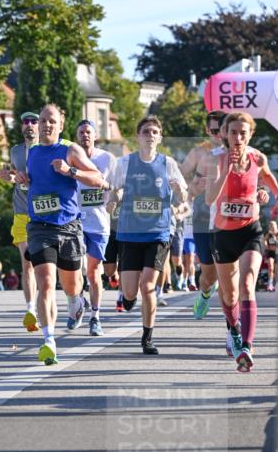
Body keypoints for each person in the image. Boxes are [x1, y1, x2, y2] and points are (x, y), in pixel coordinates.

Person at [19, 103, 109, 365]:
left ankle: (76, 303)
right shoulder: (33, 153)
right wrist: (22, 179)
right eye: (43, 120)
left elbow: (99, 179)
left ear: (60, 126)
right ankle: (49, 341)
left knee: (72, 286)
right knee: (46, 282)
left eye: (51, 121)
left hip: (68, 227)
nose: (46, 125)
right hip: (39, 227)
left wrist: (70, 171)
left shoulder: (70, 150)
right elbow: (37, 183)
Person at [204, 111, 278, 371]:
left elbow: (267, 176)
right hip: (223, 234)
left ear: (251, 135)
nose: (238, 137)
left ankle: (247, 346)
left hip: (251, 230)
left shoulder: (258, 158)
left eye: (243, 133)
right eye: (233, 132)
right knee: (229, 294)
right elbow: (209, 198)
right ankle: (234, 330)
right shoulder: (217, 160)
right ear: (225, 134)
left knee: (248, 282)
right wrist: (226, 170)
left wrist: (274, 194)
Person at [105, 116, 188, 355]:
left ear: (159, 138)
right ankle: (127, 299)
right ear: (138, 137)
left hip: (158, 232)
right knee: (130, 292)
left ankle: (147, 337)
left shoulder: (168, 163)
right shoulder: (124, 164)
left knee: (148, 286)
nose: (150, 135)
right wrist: (113, 200)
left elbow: (183, 197)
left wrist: (179, 195)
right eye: (146, 131)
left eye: (154, 132)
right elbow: (115, 190)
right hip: (130, 233)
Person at [180, 111, 226, 319]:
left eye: (222, 130)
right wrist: (190, 187)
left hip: (227, 218)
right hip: (203, 216)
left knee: (228, 274)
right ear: (208, 130)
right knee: (208, 275)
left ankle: (233, 326)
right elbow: (179, 175)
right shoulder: (199, 153)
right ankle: (206, 293)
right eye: (214, 131)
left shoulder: (235, 152)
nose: (219, 135)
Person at [73, 119, 116, 336]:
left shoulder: (108, 159)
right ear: (76, 136)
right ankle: (79, 302)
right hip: (76, 222)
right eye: (81, 132)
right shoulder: (70, 158)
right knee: (77, 269)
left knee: (94, 271)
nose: (85, 136)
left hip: (99, 224)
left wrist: (113, 198)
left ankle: (96, 317)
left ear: (95, 135)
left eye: (88, 132)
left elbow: (119, 187)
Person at [0, 111, 40, 330]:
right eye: (26, 122)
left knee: (49, 266)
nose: (30, 125)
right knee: (28, 263)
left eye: (34, 121)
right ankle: (31, 309)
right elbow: (14, 175)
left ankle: (73, 297)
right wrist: (9, 177)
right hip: (22, 212)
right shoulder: (15, 151)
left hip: (44, 214)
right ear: (22, 127)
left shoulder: (47, 150)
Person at [263, 221, 278, 291]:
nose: (272, 227)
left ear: (276, 226)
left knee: (277, 271)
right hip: (270, 253)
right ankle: (270, 284)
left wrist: (275, 239)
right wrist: (266, 245)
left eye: (273, 225)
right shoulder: (268, 234)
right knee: (270, 267)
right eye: (270, 226)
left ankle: (277, 284)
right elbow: (264, 240)